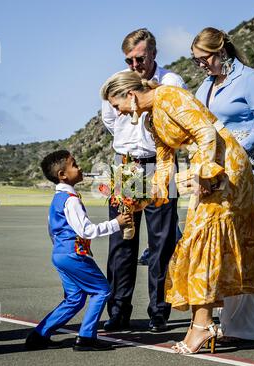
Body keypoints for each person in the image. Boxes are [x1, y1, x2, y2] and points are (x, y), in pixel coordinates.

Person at [101, 70, 254, 354]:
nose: (116, 114)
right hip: (205, 170)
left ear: (130, 96)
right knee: (198, 243)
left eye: (116, 106)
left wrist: (205, 174)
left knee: (204, 242)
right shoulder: (152, 117)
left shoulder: (170, 96)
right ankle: (202, 324)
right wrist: (148, 196)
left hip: (224, 165)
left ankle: (202, 326)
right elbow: (165, 160)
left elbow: (206, 132)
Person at [191, 27, 254, 342]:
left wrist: (238, 148)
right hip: (218, 174)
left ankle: (240, 329)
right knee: (223, 247)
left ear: (221, 51)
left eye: (204, 59)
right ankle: (221, 323)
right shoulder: (205, 86)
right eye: (196, 61)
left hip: (252, 171)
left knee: (244, 246)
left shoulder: (251, 80)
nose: (201, 66)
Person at [101, 28, 186, 332]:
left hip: (161, 166)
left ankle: (159, 312)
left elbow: (180, 115)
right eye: (129, 59)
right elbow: (110, 120)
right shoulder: (118, 81)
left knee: (161, 243)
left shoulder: (172, 81)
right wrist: (133, 146)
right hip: (125, 166)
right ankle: (118, 312)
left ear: (153, 53)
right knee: (121, 243)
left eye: (140, 58)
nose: (134, 65)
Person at [25, 150, 132, 352]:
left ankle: (39, 335)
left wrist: (63, 250)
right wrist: (115, 223)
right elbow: (86, 230)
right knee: (101, 290)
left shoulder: (58, 199)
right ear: (62, 175)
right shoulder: (71, 200)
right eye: (74, 164)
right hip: (73, 254)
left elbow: (52, 229)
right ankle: (86, 337)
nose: (80, 167)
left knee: (74, 299)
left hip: (60, 253)